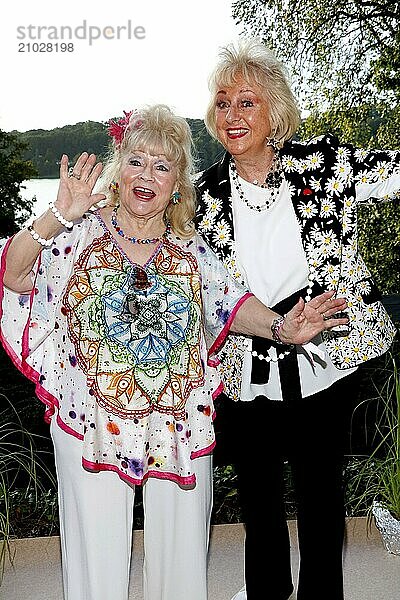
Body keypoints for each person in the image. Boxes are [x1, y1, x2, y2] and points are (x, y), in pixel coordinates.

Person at [0, 104, 347, 600]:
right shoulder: (75, 234)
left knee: (182, 569)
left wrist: (283, 329)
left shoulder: (193, 248)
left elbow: (232, 303)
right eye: (137, 161)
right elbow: (13, 273)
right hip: (89, 421)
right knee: (95, 567)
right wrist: (56, 215)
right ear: (118, 169)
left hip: (178, 423)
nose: (147, 175)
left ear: (178, 183)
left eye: (162, 166)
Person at [195, 39, 400, 600]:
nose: (232, 116)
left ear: (275, 112)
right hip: (244, 365)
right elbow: (195, 287)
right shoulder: (202, 194)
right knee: (259, 500)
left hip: (325, 358)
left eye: (246, 102)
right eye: (222, 103)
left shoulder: (325, 164)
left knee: (320, 498)